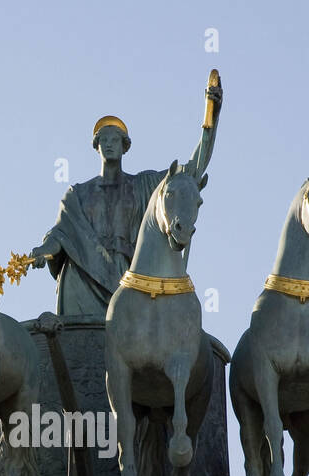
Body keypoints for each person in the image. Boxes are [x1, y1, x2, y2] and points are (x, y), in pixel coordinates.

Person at [29, 79, 222, 318]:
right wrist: (43, 251)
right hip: (82, 276)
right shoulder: (77, 193)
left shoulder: (143, 185)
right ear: (96, 147)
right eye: (104, 141)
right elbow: (61, 234)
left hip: (128, 276)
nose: (109, 145)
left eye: (114, 140)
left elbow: (193, 169)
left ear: (125, 146)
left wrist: (211, 119)